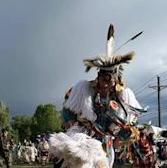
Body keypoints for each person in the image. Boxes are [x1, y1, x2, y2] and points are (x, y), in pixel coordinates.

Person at [49, 24, 148, 167]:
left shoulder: (124, 96)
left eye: (109, 79)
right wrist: (71, 125)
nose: (105, 83)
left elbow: (131, 125)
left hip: (106, 146)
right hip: (82, 140)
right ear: (98, 76)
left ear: (116, 79)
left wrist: (118, 140)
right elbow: (67, 111)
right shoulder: (84, 88)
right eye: (103, 78)